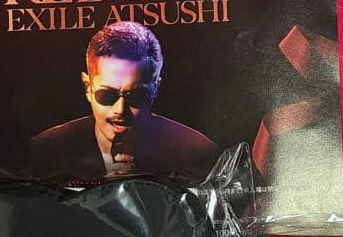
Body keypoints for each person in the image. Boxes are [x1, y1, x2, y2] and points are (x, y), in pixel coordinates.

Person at [29, 22, 218, 178]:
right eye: (107, 95)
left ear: (155, 89)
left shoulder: (195, 151)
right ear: (88, 87)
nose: (120, 109)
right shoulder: (48, 149)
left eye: (136, 96)